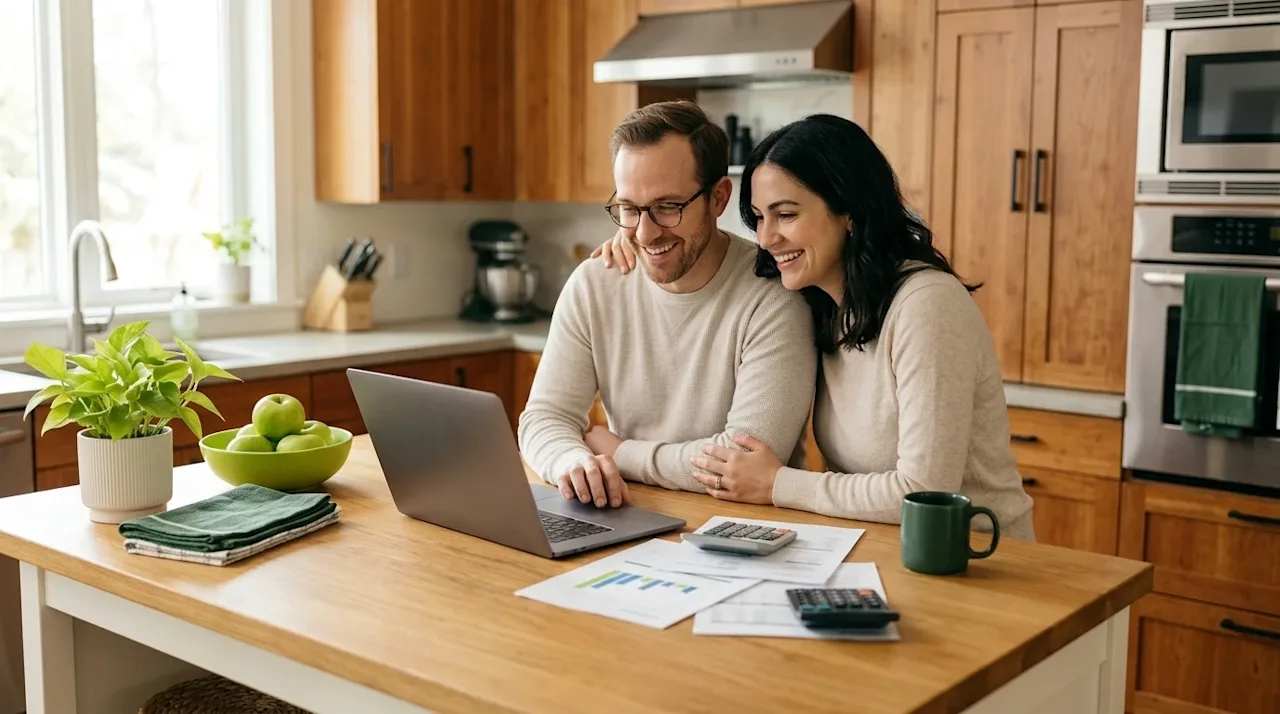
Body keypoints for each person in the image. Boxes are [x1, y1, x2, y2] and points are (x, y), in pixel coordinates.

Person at [593, 114, 1035, 539]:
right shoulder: (823, 306)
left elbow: (922, 493)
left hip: (982, 562)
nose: (766, 238)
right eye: (759, 218)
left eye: (786, 215)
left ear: (849, 211)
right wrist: (635, 236)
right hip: (888, 552)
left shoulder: (926, 306)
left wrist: (777, 484)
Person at [517, 101, 817, 510]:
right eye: (629, 208)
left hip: (741, 532)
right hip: (624, 515)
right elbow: (544, 418)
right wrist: (573, 462)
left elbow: (745, 461)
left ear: (718, 198)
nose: (645, 232)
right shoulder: (595, 285)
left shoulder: (773, 297)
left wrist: (622, 453)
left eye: (667, 207)